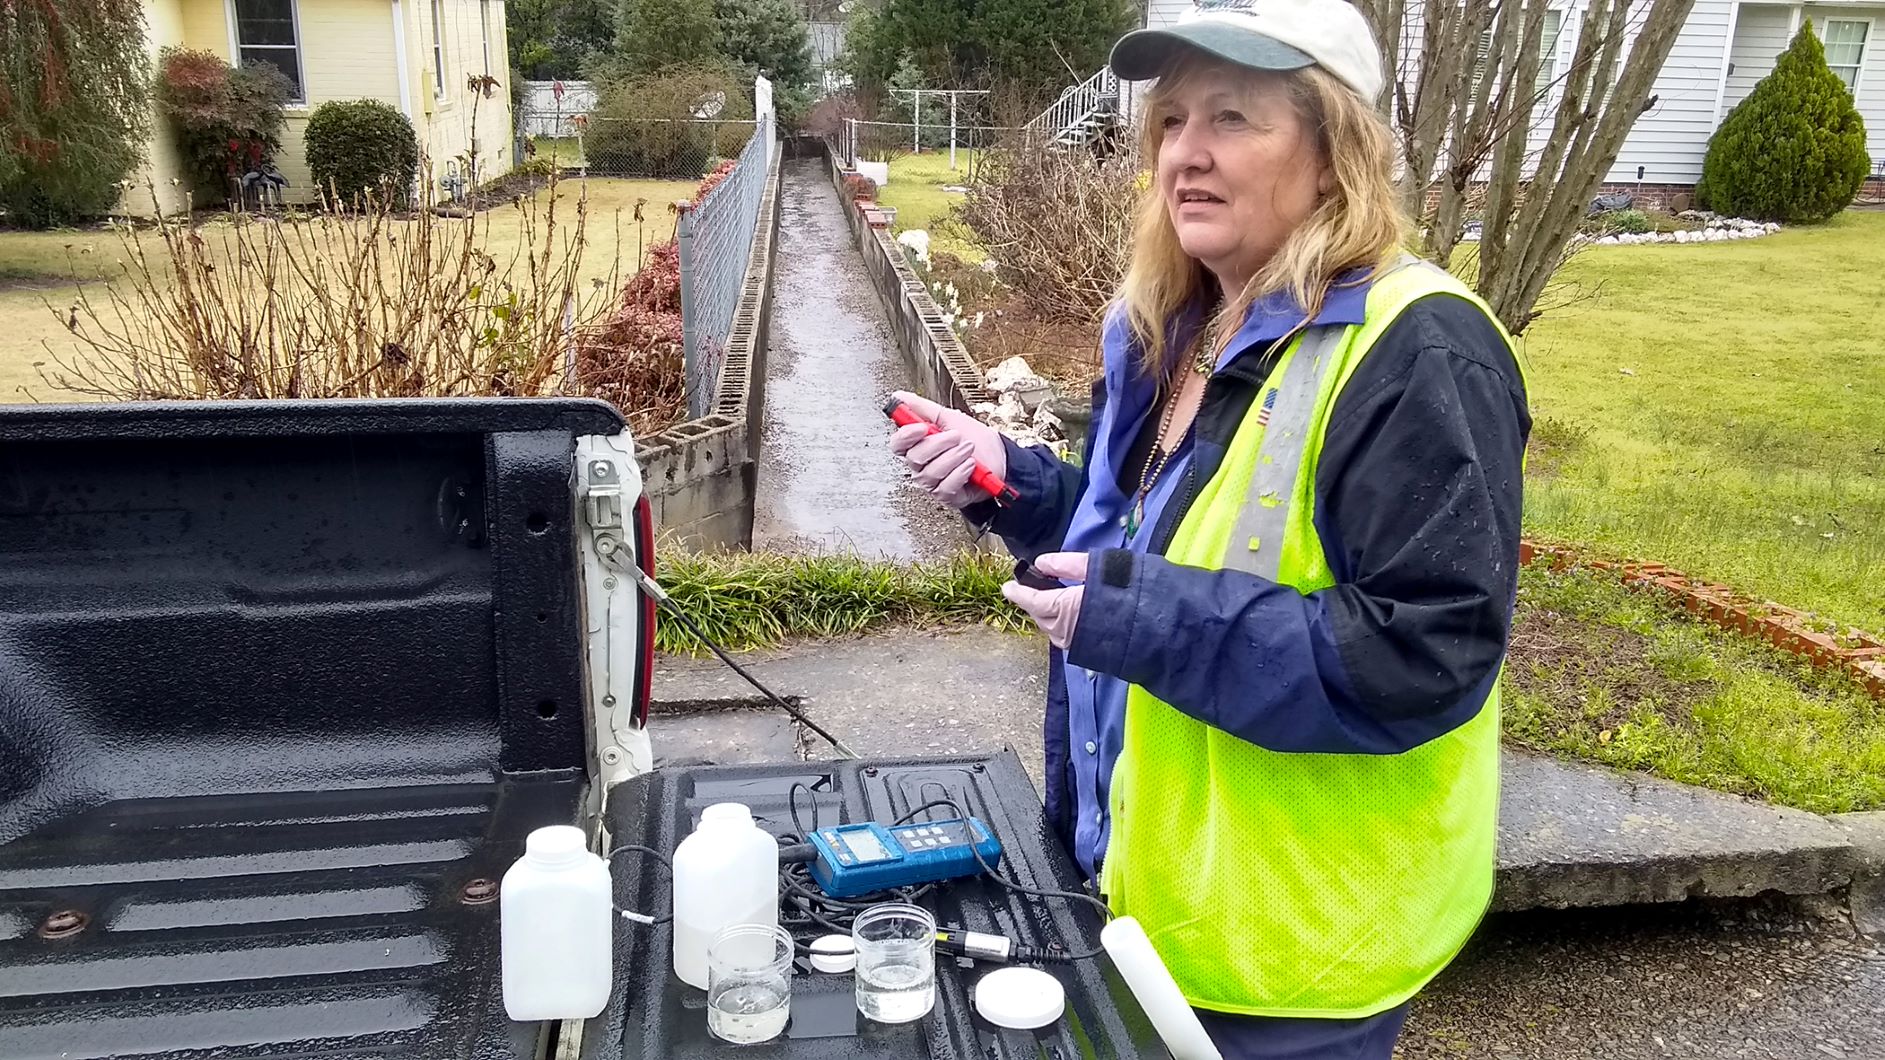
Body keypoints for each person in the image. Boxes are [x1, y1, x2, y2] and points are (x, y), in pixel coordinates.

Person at [887, 0, 1532, 1056]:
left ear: (1336, 153)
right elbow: (1150, 542)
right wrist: (1015, 487)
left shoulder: (1419, 352)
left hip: (1292, 957)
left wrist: (1139, 618)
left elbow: (1428, 647)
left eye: (1233, 118)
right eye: (1172, 119)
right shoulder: (1168, 328)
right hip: (1144, 901)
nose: (1184, 152)